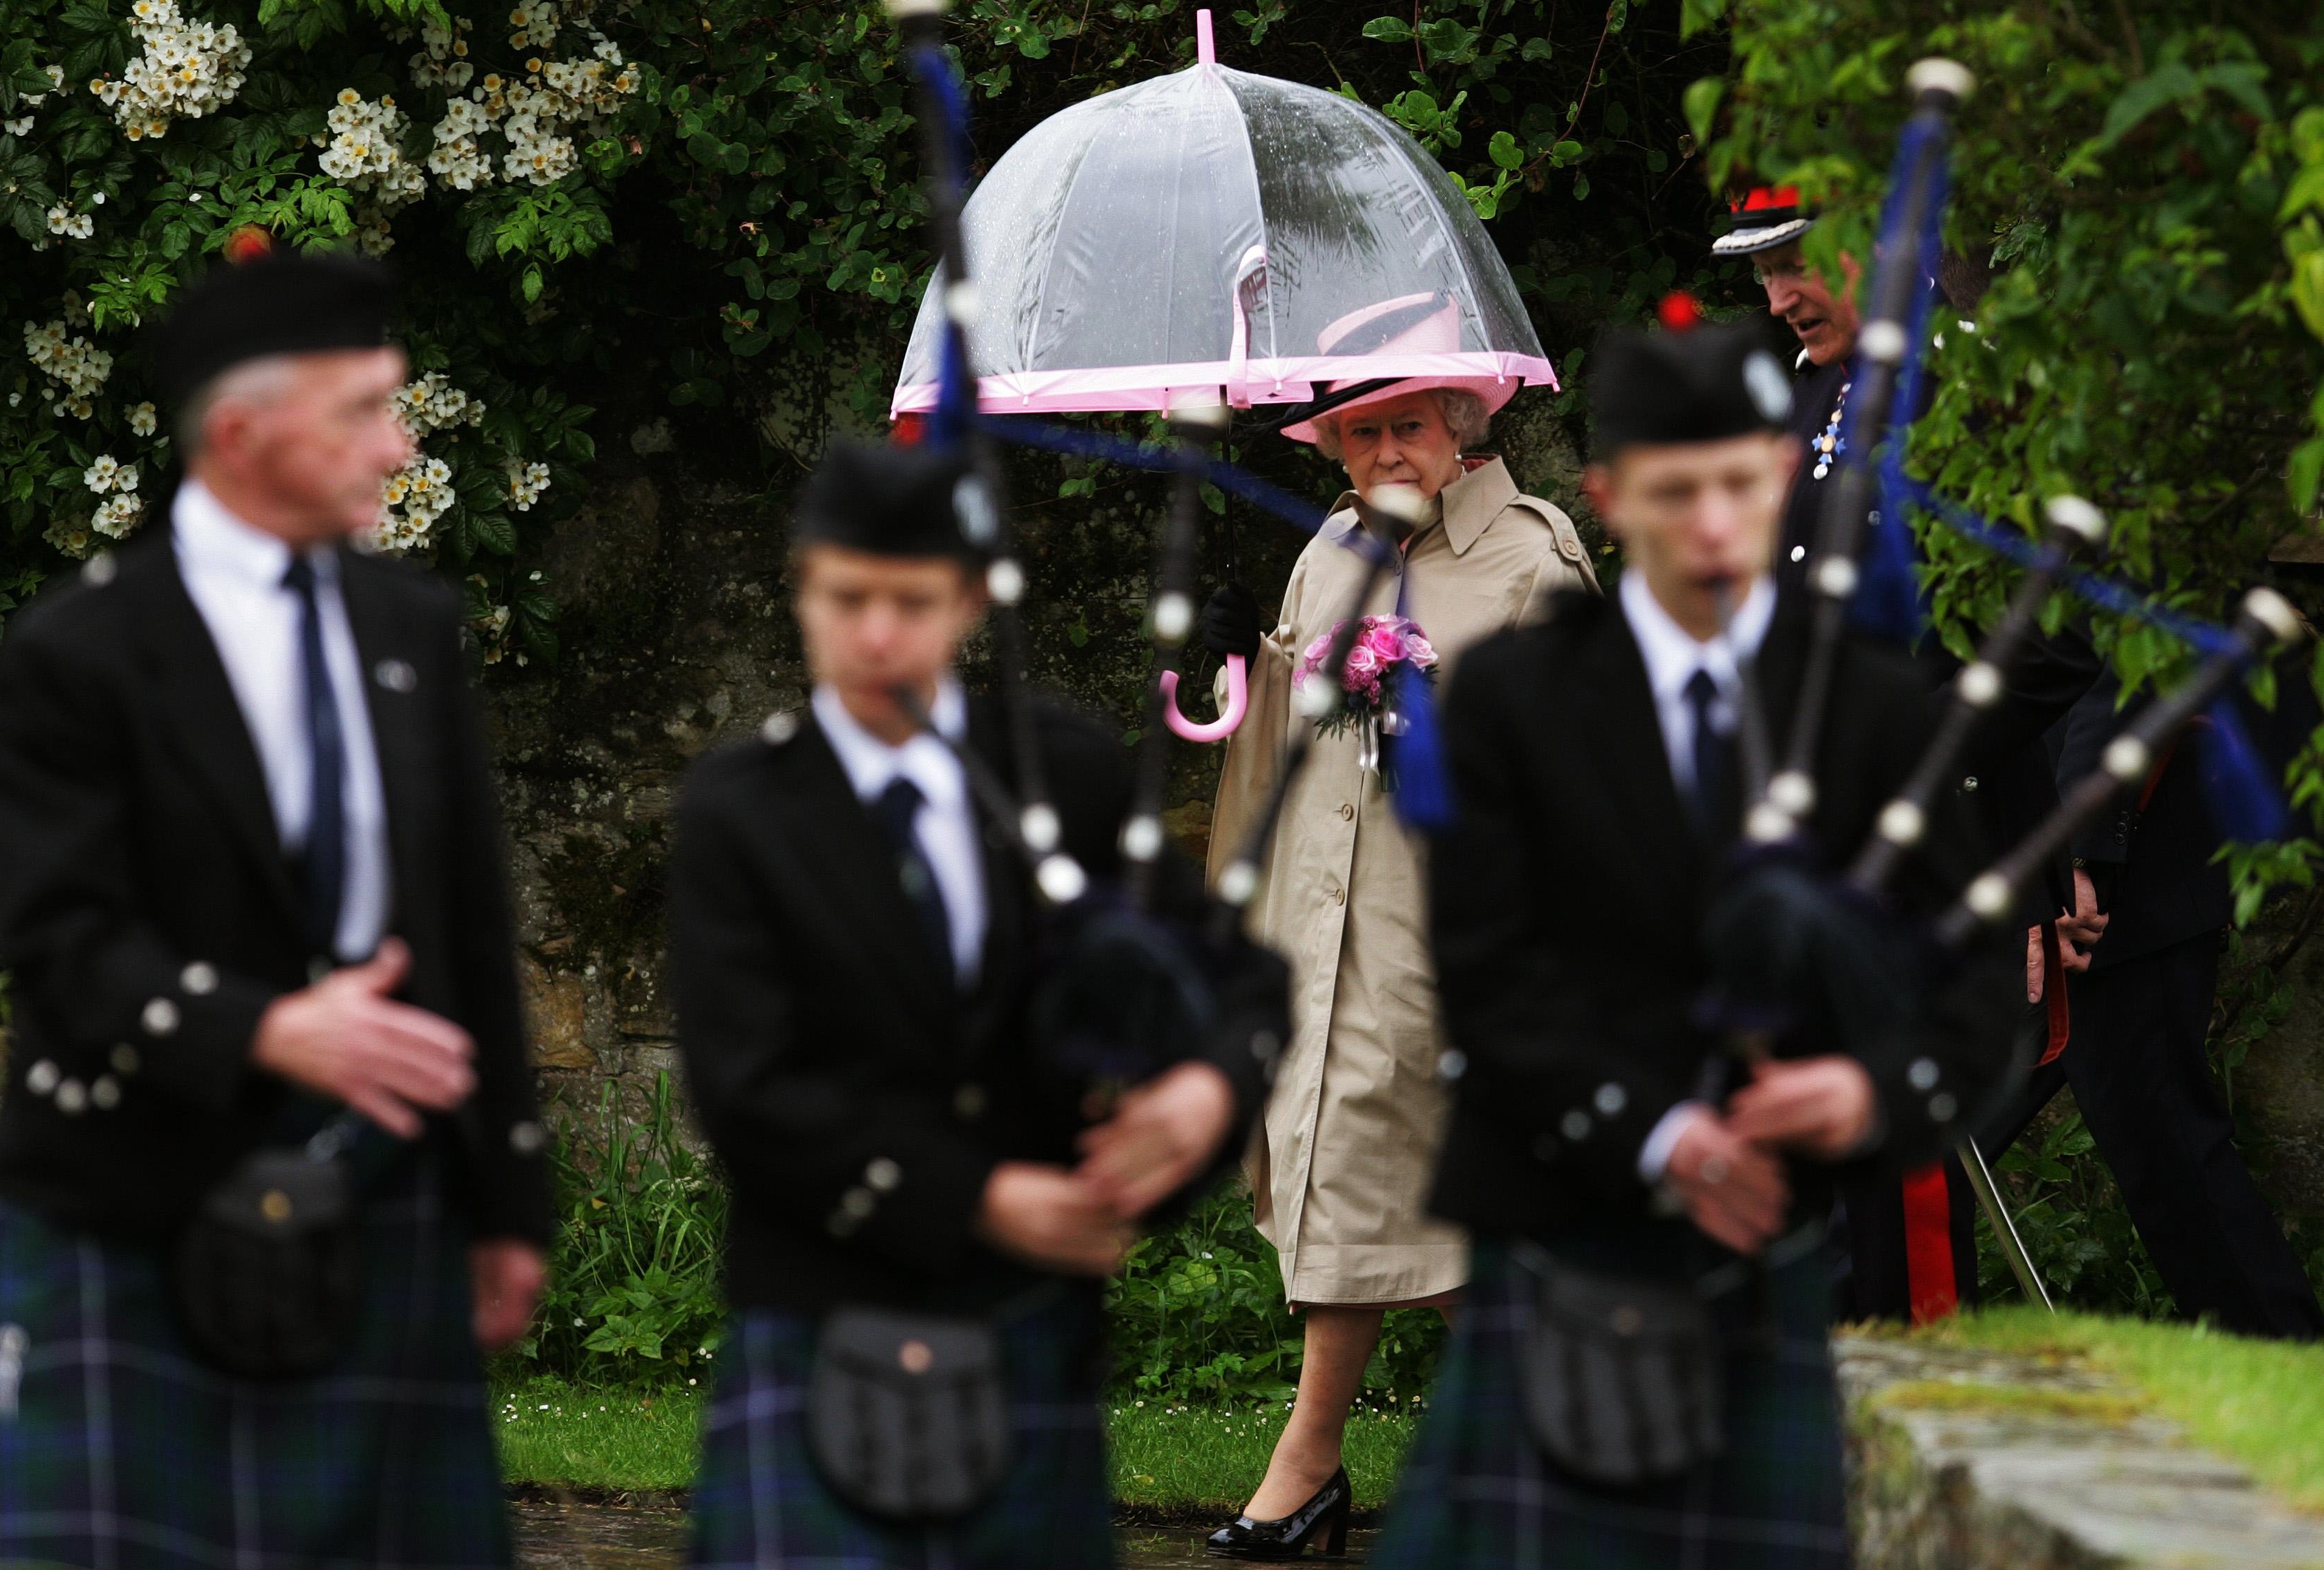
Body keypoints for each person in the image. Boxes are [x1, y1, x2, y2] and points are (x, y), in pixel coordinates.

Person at [1373, 308, 2011, 1568]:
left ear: (1780, 478)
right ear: (1608, 498)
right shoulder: (1517, 698)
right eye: (1675, 493)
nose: (1712, 527)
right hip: (1566, 1222)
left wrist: (1868, 1089)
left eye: (1737, 485)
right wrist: (1661, 1134)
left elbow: (1969, 985)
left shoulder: (1869, 708)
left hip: (1771, 1250)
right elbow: (1489, 975)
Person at [0, 248, 554, 1568]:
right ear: (242, 432)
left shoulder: (409, 627)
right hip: (140, 1187)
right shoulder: (79, 650)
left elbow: (463, 929)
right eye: (363, 413)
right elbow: (62, 946)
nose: (398, 449)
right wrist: (265, 1030)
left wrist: (507, 1205)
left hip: (386, 1184)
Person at [666, 440, 1287, 1570]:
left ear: (963, 600)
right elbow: (747, 1093)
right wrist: (983, 1199)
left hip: (1027, 1333)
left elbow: (1236, 984)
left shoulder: (1065, 774)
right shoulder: (738, 813)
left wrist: (1202, 1092)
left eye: (909, 601)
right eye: (846, 597)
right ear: (802, 590)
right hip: (823, 1311)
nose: (875, 633)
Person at [1195, 292, 1599, 1556]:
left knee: (1414, 1189)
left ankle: (1312, 1464)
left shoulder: (1534, 562)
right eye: (1360, 433)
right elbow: (1277, 750)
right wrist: (1234, 688)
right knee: (1368, 1188)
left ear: (1467, 422)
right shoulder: (1326, 555)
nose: (1384, 455)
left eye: (1408, 426)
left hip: (1453, 936)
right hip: (1320, 929)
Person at [1717, 188, 2102, 1321]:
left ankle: (1903, 1474)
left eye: (1799, 259)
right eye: (1761, 266)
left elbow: (2055, 640)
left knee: (1898, 1217)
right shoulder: (1805, 403)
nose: (1780, 293)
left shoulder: (1966, 390)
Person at [1969, 672, 2324, 1336]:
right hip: (2023, 859)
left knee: (2174, 1165)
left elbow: (2123, 664)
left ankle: (2290, 1369)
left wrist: (2076, 853)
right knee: (1927, 1135)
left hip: (2111, 883)